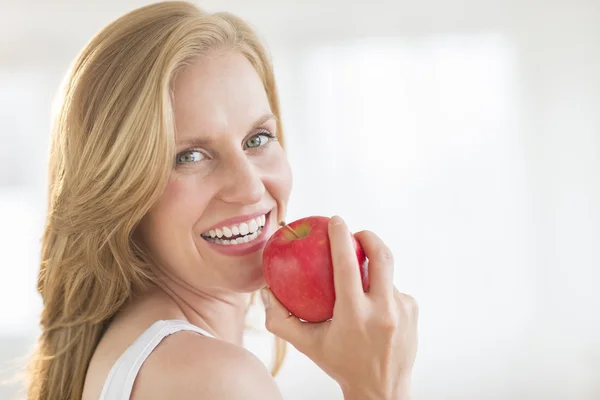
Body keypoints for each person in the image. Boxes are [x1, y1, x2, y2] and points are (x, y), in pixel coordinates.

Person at [26, 1, 419, 399]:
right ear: (119, 189)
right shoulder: (214, 379)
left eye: (257, 139)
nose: (249, 187)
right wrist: (378, 387)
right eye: (190, 156)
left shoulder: (141, 352)